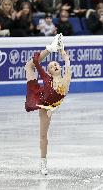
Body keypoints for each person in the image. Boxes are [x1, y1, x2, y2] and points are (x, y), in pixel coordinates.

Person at [25, 34, 71, 175]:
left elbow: (66, 60)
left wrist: (62, 50)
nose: (55, 66)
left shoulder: (65, 78)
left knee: (44, 135)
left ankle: (43, 162)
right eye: (52, 66)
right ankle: (43, 164)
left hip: (50, 105)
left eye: (56, 64)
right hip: (40, 98)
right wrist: (49, 50)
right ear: (49, 71)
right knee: (28, 65)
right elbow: (35, 65)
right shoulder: (46, 78)